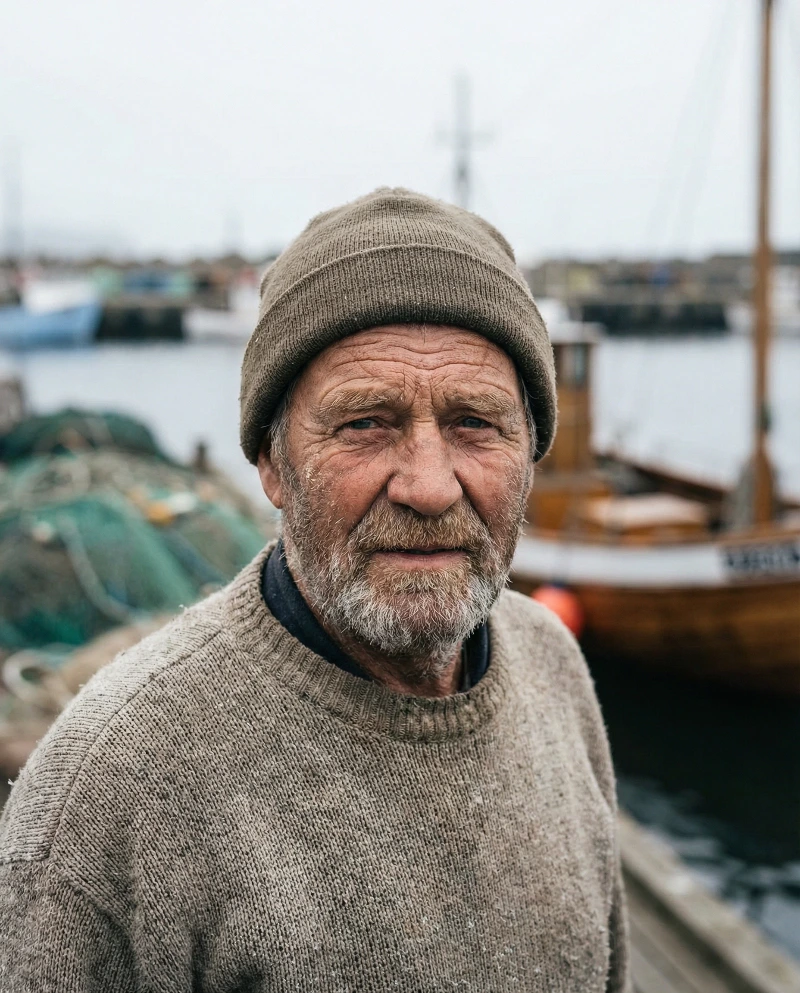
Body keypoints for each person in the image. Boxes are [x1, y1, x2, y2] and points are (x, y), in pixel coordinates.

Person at [0, 188, 629, 991]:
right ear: (271, 461)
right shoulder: (109, 792)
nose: (430, 486)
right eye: (366, 422)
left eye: (476, 422)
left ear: (530, 450)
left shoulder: (553, 666)